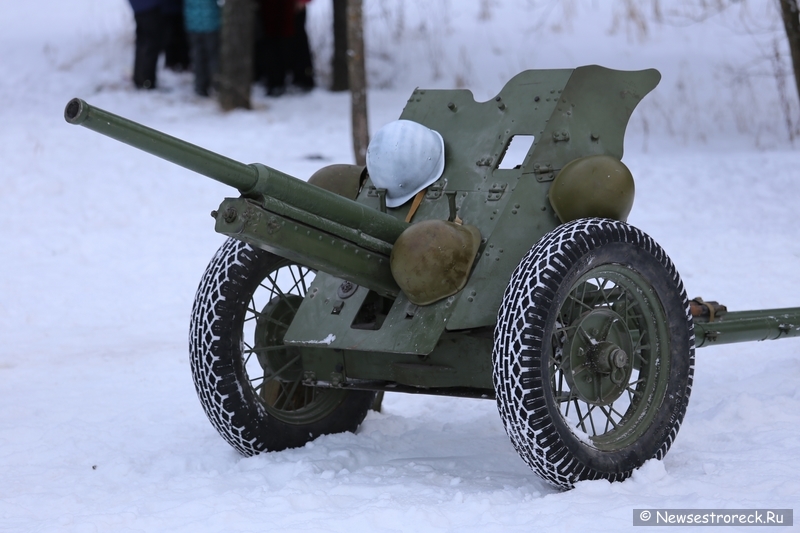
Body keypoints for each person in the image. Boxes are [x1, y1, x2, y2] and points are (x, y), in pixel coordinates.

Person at [184, 0, 221, 96]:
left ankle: (201, 86)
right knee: (213, 57)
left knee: (198, 57)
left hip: (193, 24)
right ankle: (216, 85)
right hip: (211, 24)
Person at [129, 0, 164, 89]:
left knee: (143, 43)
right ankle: (147, 81)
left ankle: (141, 80)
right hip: (149, 7)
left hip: (140, 8)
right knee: (150, 45)